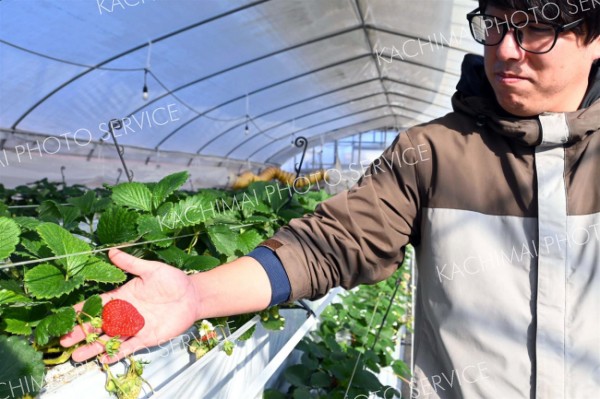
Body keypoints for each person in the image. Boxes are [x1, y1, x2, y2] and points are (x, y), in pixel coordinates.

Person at [61, 0, 600, 397]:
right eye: (495, 25)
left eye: (535, 29)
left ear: (593, 35)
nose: (505, 49)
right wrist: (197, 296)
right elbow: (331, 244)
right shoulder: (432, 151)